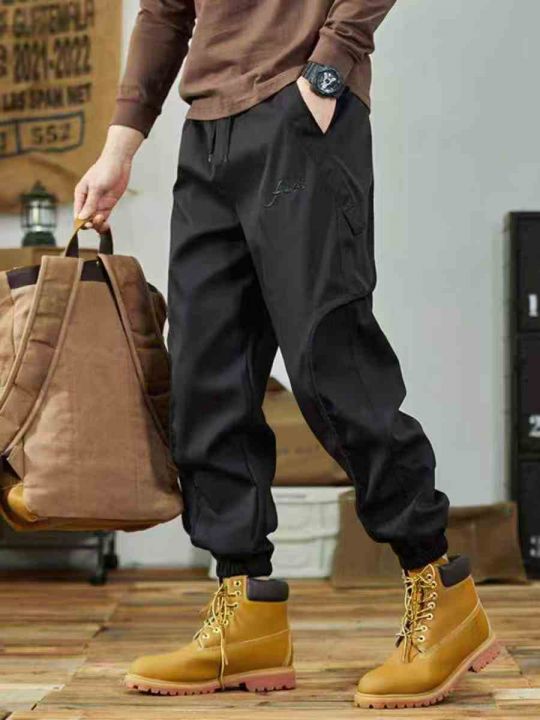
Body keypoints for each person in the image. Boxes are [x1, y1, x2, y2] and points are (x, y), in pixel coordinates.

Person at [74, 0, 498, 709]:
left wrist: (329, 68)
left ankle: (441, 590)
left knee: (332, 369)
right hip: (207, 132)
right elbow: (165, 12)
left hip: (298, 113)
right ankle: (247, 612)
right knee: (206, 377)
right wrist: (120, 147)